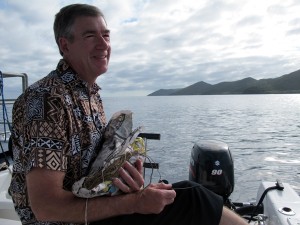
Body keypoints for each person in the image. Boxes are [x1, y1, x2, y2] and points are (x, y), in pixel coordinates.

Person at [9, 3, 248, 225]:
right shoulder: (46, 100)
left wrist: (121, 180)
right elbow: (46, 207)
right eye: (90, 35)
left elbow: (89, 174)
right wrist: (134, 202)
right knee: (193, 198)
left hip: (89, 210)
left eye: (106, 35)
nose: (103, 44)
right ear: (65, 45)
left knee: (171, 194)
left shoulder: (90, 95)